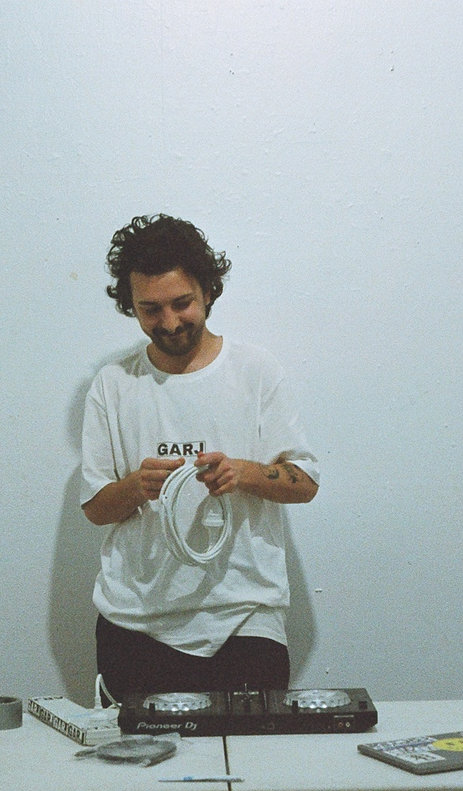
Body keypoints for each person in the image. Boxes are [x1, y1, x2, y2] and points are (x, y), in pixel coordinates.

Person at [80, 213, 319, 702]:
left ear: (209, 291)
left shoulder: (255, 371)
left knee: (251, 754)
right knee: (136, 754)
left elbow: (306, 483)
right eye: (150, 309)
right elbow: (97, 509)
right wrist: (136, 486)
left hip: (245, 620)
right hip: (135, 624)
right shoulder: (113, 383)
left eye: (182, 303)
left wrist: (243, 473)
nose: (169, 322)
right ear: (130, 306)